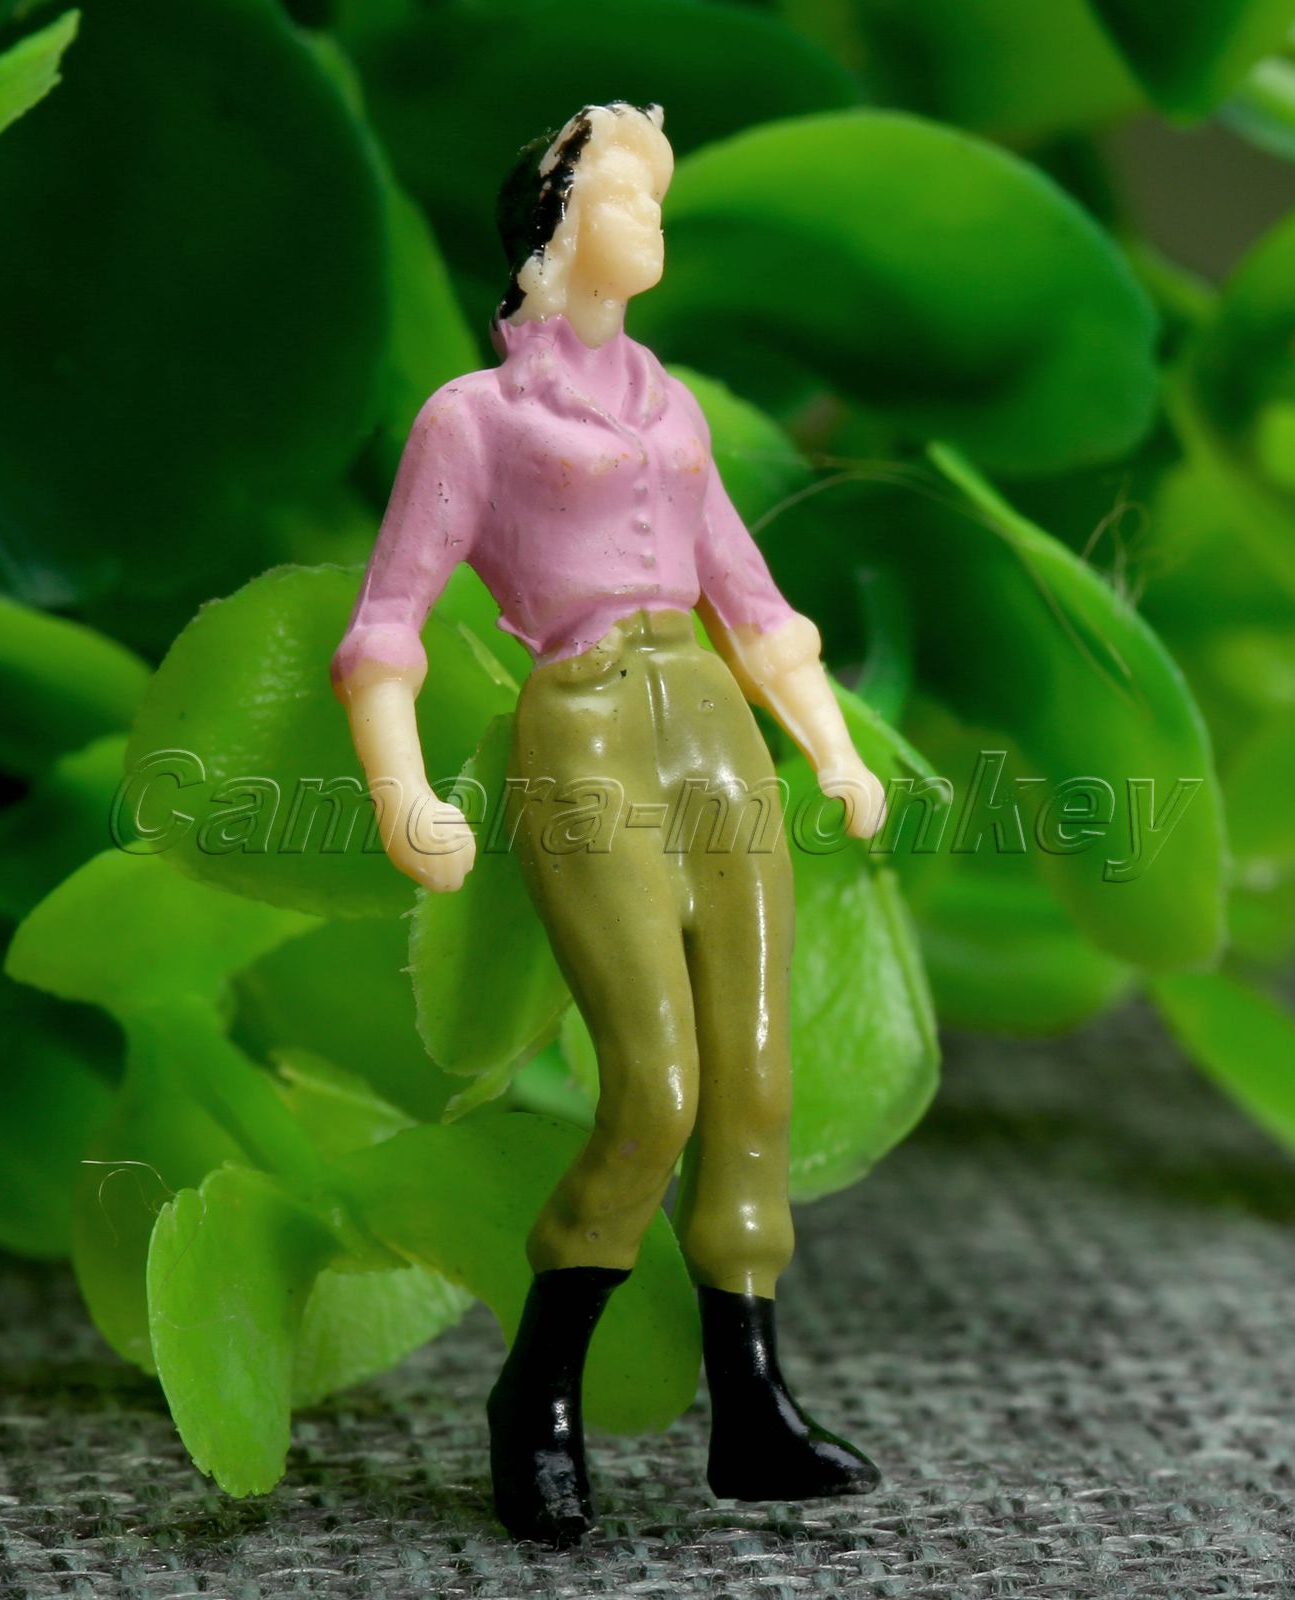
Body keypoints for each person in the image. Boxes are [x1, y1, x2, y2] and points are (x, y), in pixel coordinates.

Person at [333, 101, 887, 1547]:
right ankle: (537, 1396)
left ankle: (752, 1406)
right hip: (580, 720)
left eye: (652, 198)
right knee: (656, 1089)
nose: (652, 222)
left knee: (755, 1078)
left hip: (708, 720)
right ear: (555, 232)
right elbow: (385, 627)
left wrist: (830, 745)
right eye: (627, 198)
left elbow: (751, 599)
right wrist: (403, 788)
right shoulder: (475, 419)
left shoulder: (671, 407)